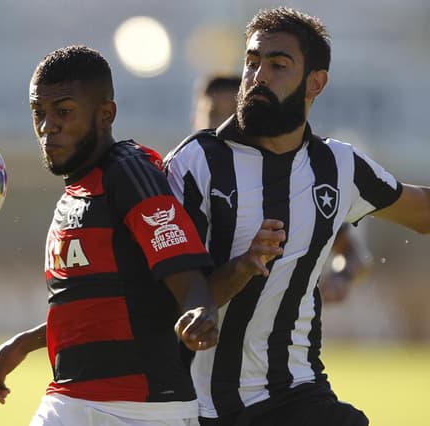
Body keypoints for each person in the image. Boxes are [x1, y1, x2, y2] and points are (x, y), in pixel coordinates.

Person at [164, 7, 430, 426]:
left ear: (316, 83)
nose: (258, 77)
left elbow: (422, 212)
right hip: (197, 406)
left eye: (277, 65)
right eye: (252, 63)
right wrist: (241, 268)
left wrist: (344, 273)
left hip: (295, 395)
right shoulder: (194, 162)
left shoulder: (339, 166)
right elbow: (172, 292)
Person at [0, 45, 229, 426]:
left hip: (142, 410)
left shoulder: (130, 174)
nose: (48, 126)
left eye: (63, 112)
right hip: (72, 399)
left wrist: (200, 310)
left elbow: (185, 273)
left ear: (105, 115)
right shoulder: (75, 192)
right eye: (39, 113)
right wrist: (23, 345)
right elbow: (108, 306)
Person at [191, 73, 372, 304]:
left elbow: (356, 255)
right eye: (213, 113)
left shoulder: (289, 183)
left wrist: (342, 275)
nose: (222, 123)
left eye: (231, 115)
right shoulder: (178, 177)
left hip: (268, 335)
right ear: (195, 117)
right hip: (193, 329)